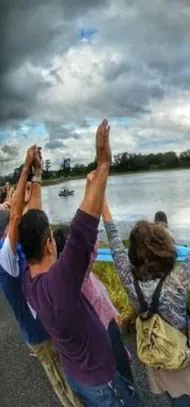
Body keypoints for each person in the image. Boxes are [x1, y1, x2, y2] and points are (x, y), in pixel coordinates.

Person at [20, 120, 141, 406]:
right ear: (50, 243)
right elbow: (84, 227)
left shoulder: (28, 279)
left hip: (77, 375)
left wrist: (35, 175)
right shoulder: (62, 281)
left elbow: (32, 222)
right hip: (103, 382)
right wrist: (103, 163)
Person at [102, 168, 190, 406]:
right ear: (164, 249)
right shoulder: (177, 281)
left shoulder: (129, 280)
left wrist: (102, 201)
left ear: (133, 254)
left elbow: (114, 242)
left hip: (161, 358)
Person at [0, 146, 82, 407]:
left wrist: (37, 174)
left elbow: (34, 214)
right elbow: (15, 218)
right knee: (66, 388)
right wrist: (25, 168)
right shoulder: (5, 258)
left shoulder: (22, 242)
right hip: (40, 336)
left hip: (52, 325)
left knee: (79, 380)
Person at [53, 225, 134, 383]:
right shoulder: (79, 278)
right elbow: (92, 248)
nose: (92, 251)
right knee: (123, 384)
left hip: (103, 338)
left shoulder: (74, 276)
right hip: (104, 340)